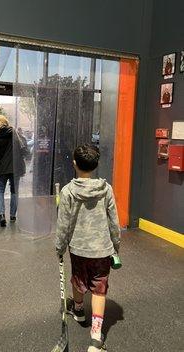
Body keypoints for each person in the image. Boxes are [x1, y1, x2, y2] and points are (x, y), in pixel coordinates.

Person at [55, 144, 120, 352]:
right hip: (102, 248)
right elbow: (114, 221)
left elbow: (63, 223)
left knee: (78, 278)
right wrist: (115, 245)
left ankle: (79, 310)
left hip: (78, 248)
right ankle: (95, 337)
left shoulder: (68, 191)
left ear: (74, 164)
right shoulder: (106, 189)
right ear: (96, 164)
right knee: (100, 289)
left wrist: (59, 246)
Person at [0, 115, 26, 227]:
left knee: (0, 190)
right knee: (14, 191)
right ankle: (13, 216)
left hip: (1, 168)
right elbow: (23, 147)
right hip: (15, 168)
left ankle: (1, 216)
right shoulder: (15, 134)